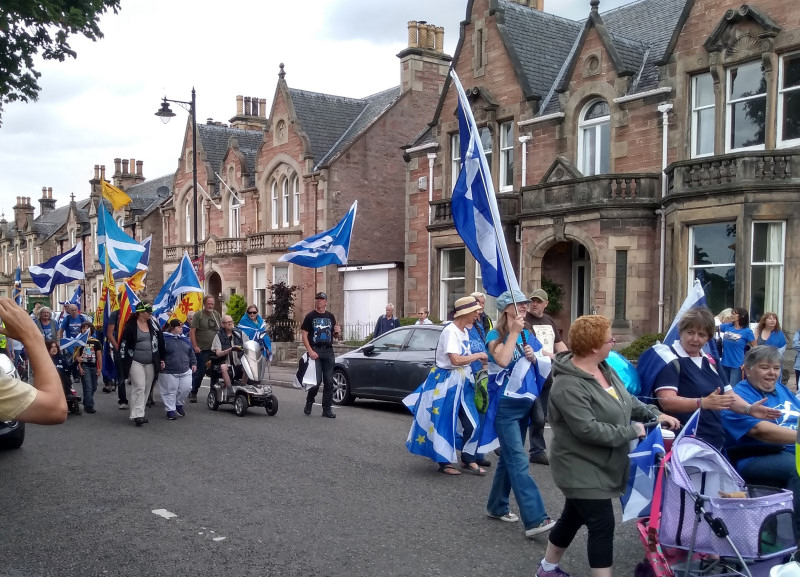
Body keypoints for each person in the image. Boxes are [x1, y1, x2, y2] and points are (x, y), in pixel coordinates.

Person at [540, 314, 679, 577]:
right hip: (579, 466)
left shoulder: (604, 368)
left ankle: (547, 569)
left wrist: (653, 414)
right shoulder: (568, 386)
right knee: (602, 524)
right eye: (609, 339)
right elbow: (587, 429)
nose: (613, 342)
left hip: (603, 463)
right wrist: (631, 431)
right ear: (594, 346)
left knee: (573, 516)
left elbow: (628, 401)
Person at [652, 307, 779, 451]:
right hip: (683, 445)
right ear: (680, 332)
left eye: (702, 334)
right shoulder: (670, 360)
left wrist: (749, 409)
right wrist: (702, 402)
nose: (695, 339)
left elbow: (728, 396)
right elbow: (667, 401)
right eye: (690, 332)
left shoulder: (711, 360)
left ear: (709, 337)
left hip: (714, 441)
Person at [485, 290, 554, 538]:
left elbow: (547, 360)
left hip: (525, 403)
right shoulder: (495, 334)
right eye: (519, 303)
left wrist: (535, 358)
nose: (524, 306)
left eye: (525, 303)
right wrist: (513, 332)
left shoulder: (529, 334)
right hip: (505, 407)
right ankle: (535, 518)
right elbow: (502, 360)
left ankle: (496, 506)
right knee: (518, 460)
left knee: (508, 460)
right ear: (506, 308)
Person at [721, 345, 800, 545]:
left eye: (775, 368)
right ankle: (797, 544)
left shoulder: (782, 390)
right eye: (765, 367)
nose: (772, 373)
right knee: (797, 469)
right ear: (747, 369)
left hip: (791, 449)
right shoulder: (739, 397)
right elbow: (760, 431)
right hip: (756, 455)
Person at [404, 295, 488, 475]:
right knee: (444, 422)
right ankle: (444, 463)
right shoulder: (451, 331)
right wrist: (478, 355)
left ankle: (468, 459)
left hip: (463, 382)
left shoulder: (464, 331)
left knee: (473, 423)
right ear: (465, 312)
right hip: (446, 382)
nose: (477, 314)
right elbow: (455, 359)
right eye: (475, 311)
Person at [0, 297, 66, 424]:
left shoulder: (53, 322)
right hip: (39, 347)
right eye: (44, 313)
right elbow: (54, 408)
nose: (46, 315)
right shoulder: (36, 323)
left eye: (48, 313)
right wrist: (33, 337)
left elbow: (57, 333)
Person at [525, 288, 569, 465]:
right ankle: (507, 445)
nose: (534, 304)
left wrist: (569, 357)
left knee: (541, 415)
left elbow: (558, 344)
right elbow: (530, 345)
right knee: (529, 413)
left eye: (538, 301)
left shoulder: (549, 320)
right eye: (532, 301)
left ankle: (537, 450)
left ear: (545, 304)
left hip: (546, 375)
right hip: (529, 373)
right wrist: (552, 356)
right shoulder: (525, 321)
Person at [119, 302, 165, 426]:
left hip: (151, 361)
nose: (150, 314)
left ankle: (139, 412)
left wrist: (162, 359)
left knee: (146, 388)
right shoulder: (130, 326)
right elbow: (123, 344)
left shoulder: (153, 324)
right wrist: (123, 361)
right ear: (140, 312)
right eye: (148, 312)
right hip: (135, 360)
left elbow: (161, 340)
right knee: (139, 386)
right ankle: (138, 415)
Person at [301, 292, 341, 418]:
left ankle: (327, 409)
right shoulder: (310, 316)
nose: (319, 301)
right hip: (315, 351)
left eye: (322, 299)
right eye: (317, 299)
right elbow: (304, 335)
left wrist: (337, 332)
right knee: (316, 381)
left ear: (326, 302)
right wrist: (310, 351)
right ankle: (310, 400)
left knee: (329, 382)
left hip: (328, 351)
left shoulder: (330, 316)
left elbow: (335, 336)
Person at [160, 319, 196, 420]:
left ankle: (179, 404)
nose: (181, 329)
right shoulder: (164, 339)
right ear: (172, 328)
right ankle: (170, 410)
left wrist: (193, 363)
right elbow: (159, 352)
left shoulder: (184, 339)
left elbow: (191, 352)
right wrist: (161, 361)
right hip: (169, 371)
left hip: (185, 369)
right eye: (179, 327)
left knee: (186, 389)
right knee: (170, 391)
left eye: (182, 327)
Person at [189, 295, 221, 403]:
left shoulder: (216, 315)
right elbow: (192, 331)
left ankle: (213, 393)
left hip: (214, 349)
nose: (211, 306)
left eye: (212, 304)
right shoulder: (199, 315)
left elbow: (220, 331)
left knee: (215, 372)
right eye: (209, 304)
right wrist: (195, 346)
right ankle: (194, 391)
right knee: (201, 372)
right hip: (202, 349)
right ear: (204, 304)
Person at [211, 315, 248, 399]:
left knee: (248, 366)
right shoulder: (219, 336)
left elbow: (248, 345)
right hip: (226, 363)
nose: (230, 323)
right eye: (228, 322)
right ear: (223, 325)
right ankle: (230, 390)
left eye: (231, 321)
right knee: (223, 367)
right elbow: (218, 353)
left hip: (238, 363)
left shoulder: (240, 333)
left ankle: (242, 388)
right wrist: (230, 350)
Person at [719, 307, 755, 387]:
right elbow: (711, 328)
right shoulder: (727, 327)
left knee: (733, 389)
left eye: (734, 314)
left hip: (737, 366)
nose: (731, 315)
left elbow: (756, 348)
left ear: (741, 316)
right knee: (723, 388)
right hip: (724, 363)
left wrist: (747, 362)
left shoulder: (747, 331)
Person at [106, 306, 130, 410]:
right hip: (119, 349)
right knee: (121, 377)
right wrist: (116, 347)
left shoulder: (133, 313)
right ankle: (123, 400)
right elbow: (109, 333)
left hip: (133, 349)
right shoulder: (115, 314)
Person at [75, 321, 102, 414]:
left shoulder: (96, 342)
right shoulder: (79, 342)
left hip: (94, 366)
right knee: (88, 386)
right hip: (84, 365)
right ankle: (89, 406)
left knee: (94, 387)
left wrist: (100, 368)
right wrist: (79, 367)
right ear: (81, 330)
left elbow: (99, 356)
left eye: (88, 328)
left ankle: (86, 401)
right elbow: (77, 356)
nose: (86, 330)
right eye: (84, 328)